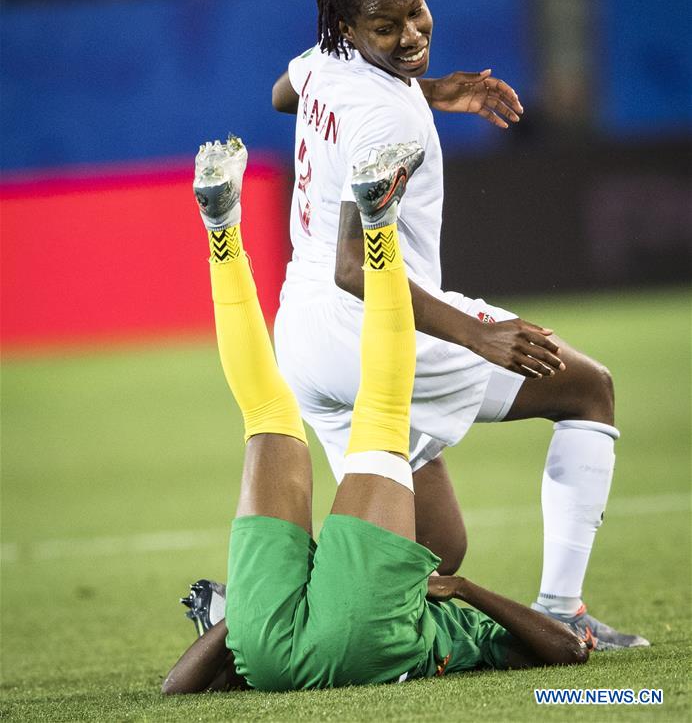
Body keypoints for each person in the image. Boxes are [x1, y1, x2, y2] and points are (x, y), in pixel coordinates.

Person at [270, 0, 648, 650]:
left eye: (416, 13)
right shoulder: (386, 122)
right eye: (386, 28)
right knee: (587, 388)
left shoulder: (328, 60)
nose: (411, 35)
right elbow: (357, 265)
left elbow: (284, 92)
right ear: (350, 27)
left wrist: (426, 87)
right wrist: (476, 333)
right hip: (368, 331)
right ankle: (564, 608)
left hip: (305, 337)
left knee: (434, 552)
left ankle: (246, 615)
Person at [162, 136, 588, 695]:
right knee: (265, 413)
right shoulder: (481, 643)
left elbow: (570, 650)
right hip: (268, 657)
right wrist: (238, 616)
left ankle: (378, 220)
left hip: (369, 635)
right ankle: (222, 229)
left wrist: (463, 589)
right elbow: (176, 688)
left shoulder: (467, 629)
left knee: (383, 408)